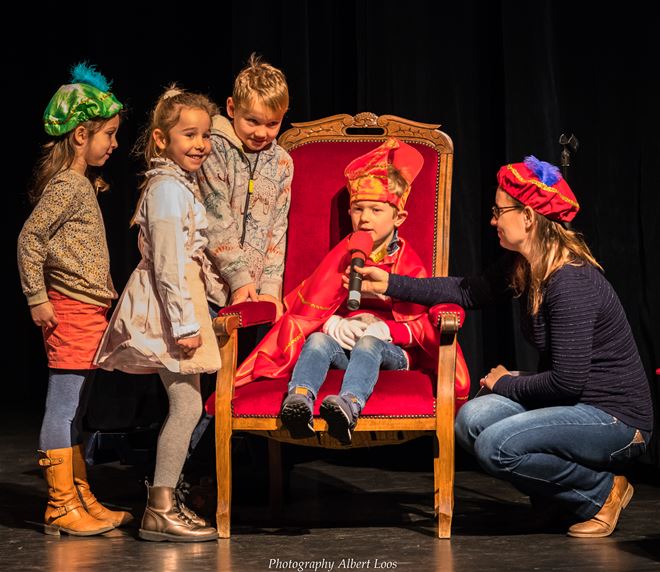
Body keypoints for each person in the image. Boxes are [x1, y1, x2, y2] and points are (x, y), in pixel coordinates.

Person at [355, 155, 654, 537]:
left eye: (499, 212)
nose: (493, 220)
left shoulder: (571, 282)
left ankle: (603, 491)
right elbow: (468, 290)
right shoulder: (523, 265)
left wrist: (505, 382)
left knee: (496, 444)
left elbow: (567, 383)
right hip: (573, 404)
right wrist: (391, 283)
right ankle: (556, 499)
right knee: (469, 421)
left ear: (528, 217)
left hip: (615, 421)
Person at [234, 138, 470, 445]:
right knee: (317, 340)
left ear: (398, 217)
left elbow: (421, 323)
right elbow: (312, 303)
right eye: (359, 209)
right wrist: (332, 324)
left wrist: (387, 330)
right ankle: (300, 399)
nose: (365, 218)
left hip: (390, 353)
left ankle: (348, 404)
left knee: (369, 344)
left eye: (375, 209)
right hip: (344, 348)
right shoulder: (345, 252)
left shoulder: (406, 261)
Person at [94, 86, 222, 542]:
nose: (200, 144)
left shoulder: (177, 185)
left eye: (206, 135)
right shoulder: (166, 189)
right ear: (161, 139)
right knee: (186, 405)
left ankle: (164, 502)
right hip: (172, 305)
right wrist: (186, 325)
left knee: (186, 404)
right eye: (189, 134)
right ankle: (160, 506)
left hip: (182, 297)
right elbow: (168, 263)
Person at [17, 63, 132, 536]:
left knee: (79, 406)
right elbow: (30, 239)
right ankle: (60, 504)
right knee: (64, 405)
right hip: (69, 309)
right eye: (108, 134)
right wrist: (36, 296)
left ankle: (79, 495)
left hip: (88, 307)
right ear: (81, 133)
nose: (114, 143)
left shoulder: (81, 184)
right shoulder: (68, 183)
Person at [198, 53, 293, 320]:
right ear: (231, 108)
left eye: (272, 124)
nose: (262, 133)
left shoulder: (283, 163)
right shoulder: (214, 148)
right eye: (252, 121)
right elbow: (215, 219)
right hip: (209, 285)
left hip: (255, 294)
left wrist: (271, 291)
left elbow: (277, 229)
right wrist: (239, 278)